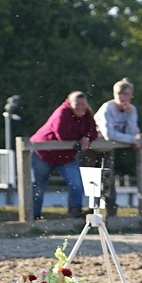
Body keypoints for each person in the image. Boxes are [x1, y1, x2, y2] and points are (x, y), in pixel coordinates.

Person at [30, 91, 99, 220]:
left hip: (66, 157)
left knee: (76, 184)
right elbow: (63, 135)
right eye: (77, 104)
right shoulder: (62, 112)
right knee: (38, 186)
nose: (80, 107)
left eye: (83, 104)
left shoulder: (87, 114)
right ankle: (34, 216)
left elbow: (93, 131)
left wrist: (87, 137)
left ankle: (75, 212)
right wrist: (81, 139)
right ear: (69, 102)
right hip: (44, 154)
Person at [87, 78, 142, 217]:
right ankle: (91, 211)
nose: (123, 97)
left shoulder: (132, 109)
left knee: (107, 178)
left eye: (126, 94)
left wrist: (129, 115)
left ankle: (110, 212)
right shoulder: (107, 108)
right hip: (92, 147)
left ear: (131, 96)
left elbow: (133, 132)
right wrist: (132, 140)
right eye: (120, 94)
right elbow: (108, 134)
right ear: (114, 94)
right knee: (91, 179)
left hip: (107, 148)